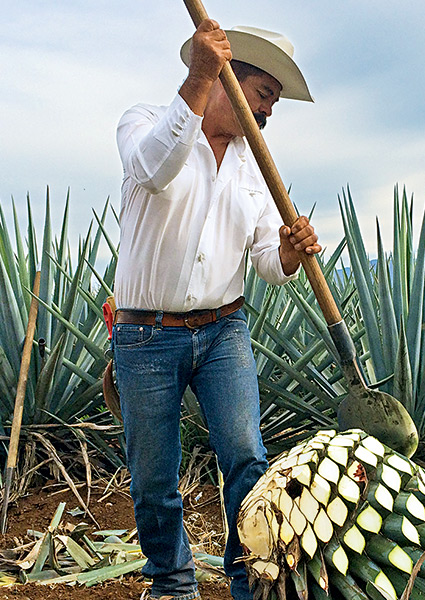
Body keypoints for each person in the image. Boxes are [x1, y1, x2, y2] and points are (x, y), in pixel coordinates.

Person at [113, 18, 320, 600]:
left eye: (275, 102)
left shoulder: (255, 166)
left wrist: (285, 252)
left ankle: (248, 582)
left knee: (246, 461)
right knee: (155, 479)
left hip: (224, 328)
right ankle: (174, 585)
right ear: (230, 81)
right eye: (264, 95)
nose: (270, 112)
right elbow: (152, 172)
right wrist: (199, 74)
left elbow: (264, 263)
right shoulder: (144, 122)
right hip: (145, 337)